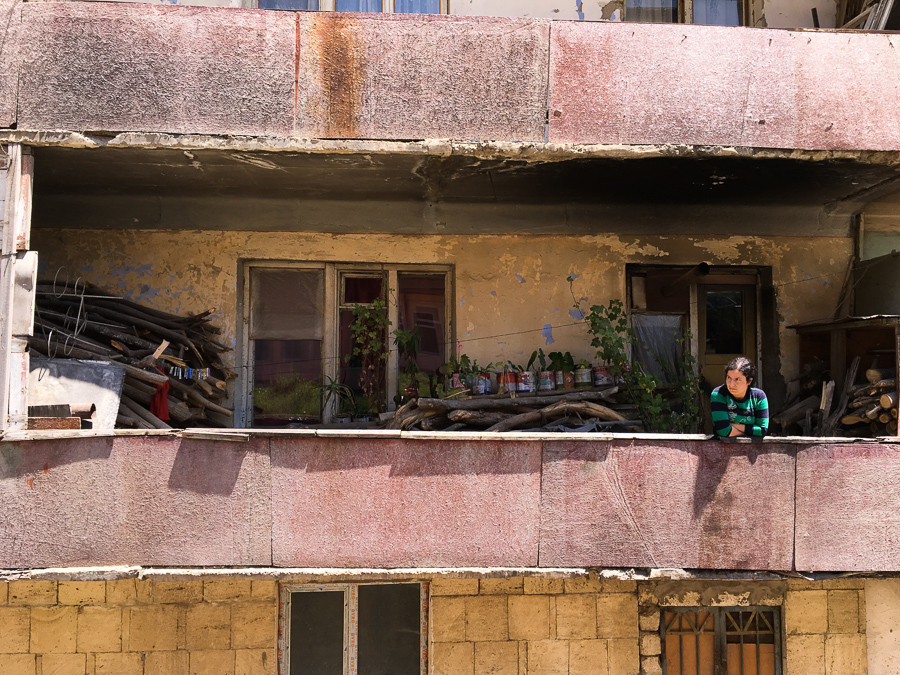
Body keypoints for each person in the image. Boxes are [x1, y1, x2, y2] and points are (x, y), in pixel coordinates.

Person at [710, 356, 769, 438]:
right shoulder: (719, 394)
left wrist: (731, 425)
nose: (731, 384)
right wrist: (750, 432)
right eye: (729, 378)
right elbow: (723, 431)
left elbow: (762, 430)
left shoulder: (759, 397)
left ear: (749, 381)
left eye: (737, 379)